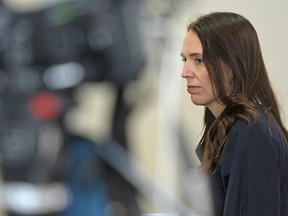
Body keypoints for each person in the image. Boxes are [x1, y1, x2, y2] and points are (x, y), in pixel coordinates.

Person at [180, 12, 288, 216]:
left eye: (199, 60)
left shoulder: (251, 134)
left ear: (232, 65)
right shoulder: (228, 129)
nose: (185, 72)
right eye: (184, 59)